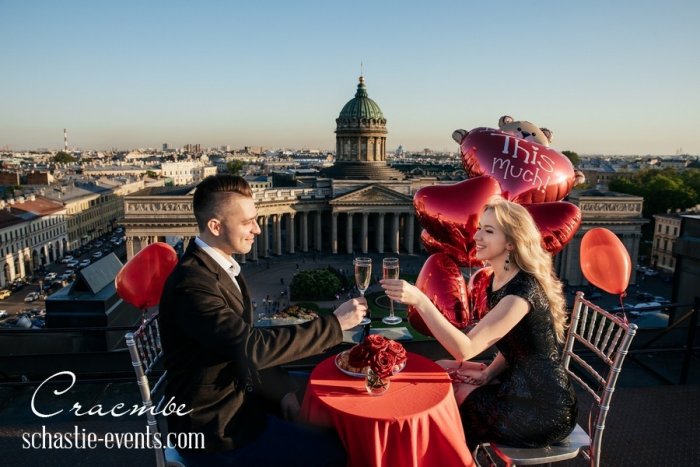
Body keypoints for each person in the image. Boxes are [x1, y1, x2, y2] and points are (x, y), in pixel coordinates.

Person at [159, 175, 367, 466]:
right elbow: (251, 346)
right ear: (215, 226)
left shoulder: (217, 267)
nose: (257, 229)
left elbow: (243, 344)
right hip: (218, 431)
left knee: (334, 398)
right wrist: (335, 324)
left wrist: (282, 390)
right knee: (338, 452)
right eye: (247, 222)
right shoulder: (191, 284)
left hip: (240, 403)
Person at [381, 197, 577, 449]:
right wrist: (487, 373)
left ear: (511, 242)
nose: (477, 236)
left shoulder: (520, 294)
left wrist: (420, 300)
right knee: (441, 368)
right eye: (479, 228)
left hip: (544, 410)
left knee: (454, 392)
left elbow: (465, 349)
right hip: (518, 383)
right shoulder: (501, 280)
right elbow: (515, 342)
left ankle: (447, 453)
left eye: (489, 231)